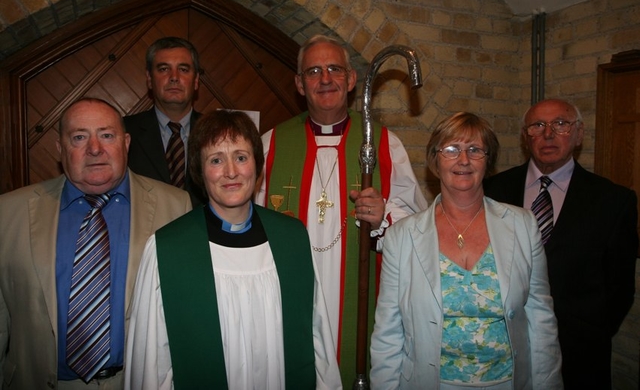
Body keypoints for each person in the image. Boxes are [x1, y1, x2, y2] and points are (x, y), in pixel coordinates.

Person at [125, 110, 341, 389]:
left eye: (241, 157)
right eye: (216, 160)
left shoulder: (293, 240)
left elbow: (318, 343)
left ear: (257, 165)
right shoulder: (167, 251)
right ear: (200, 172)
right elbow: (151, 364)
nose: (231, 172)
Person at [255, 34, 428, 384]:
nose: (325, 79)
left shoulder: (383, 144)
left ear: (350, 80)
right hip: (288, 298)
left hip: (361, 302)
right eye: (314, 71)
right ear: (299, 84)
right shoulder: (270, 145)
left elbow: (419, 230)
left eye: (334, 69)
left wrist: (384, 217)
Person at [0, 98, 192, 389]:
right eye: (79, 137)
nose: (94, 149)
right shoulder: (8, 213)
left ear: (125, 142)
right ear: (59, 148)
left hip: (136, 381)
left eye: (106, 135)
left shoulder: (176, 207)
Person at [370, 112, 563, 389]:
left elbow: (541, 320)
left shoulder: (522, 225)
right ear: (435, 160)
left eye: (475, 150)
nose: (463, 160)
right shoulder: (402, 236)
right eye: (451, 149)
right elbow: (388, 333)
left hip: (507, 382)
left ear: (488, 160)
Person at [483, 98, 638, 389]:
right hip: (501, 346)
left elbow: (620, 287)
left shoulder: (614, 201)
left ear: (579, 134)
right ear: (525, 136)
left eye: (561, 124)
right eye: (538, 125)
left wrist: (590, 331)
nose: (548, 134)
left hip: (580, 355)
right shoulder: (493, 191)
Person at [124, 36, 206, 206]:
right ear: (149, 78)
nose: (174, 77)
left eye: (183, 69)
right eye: (163, 69)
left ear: (196, 80)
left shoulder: (217, 132)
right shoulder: (123, 131)